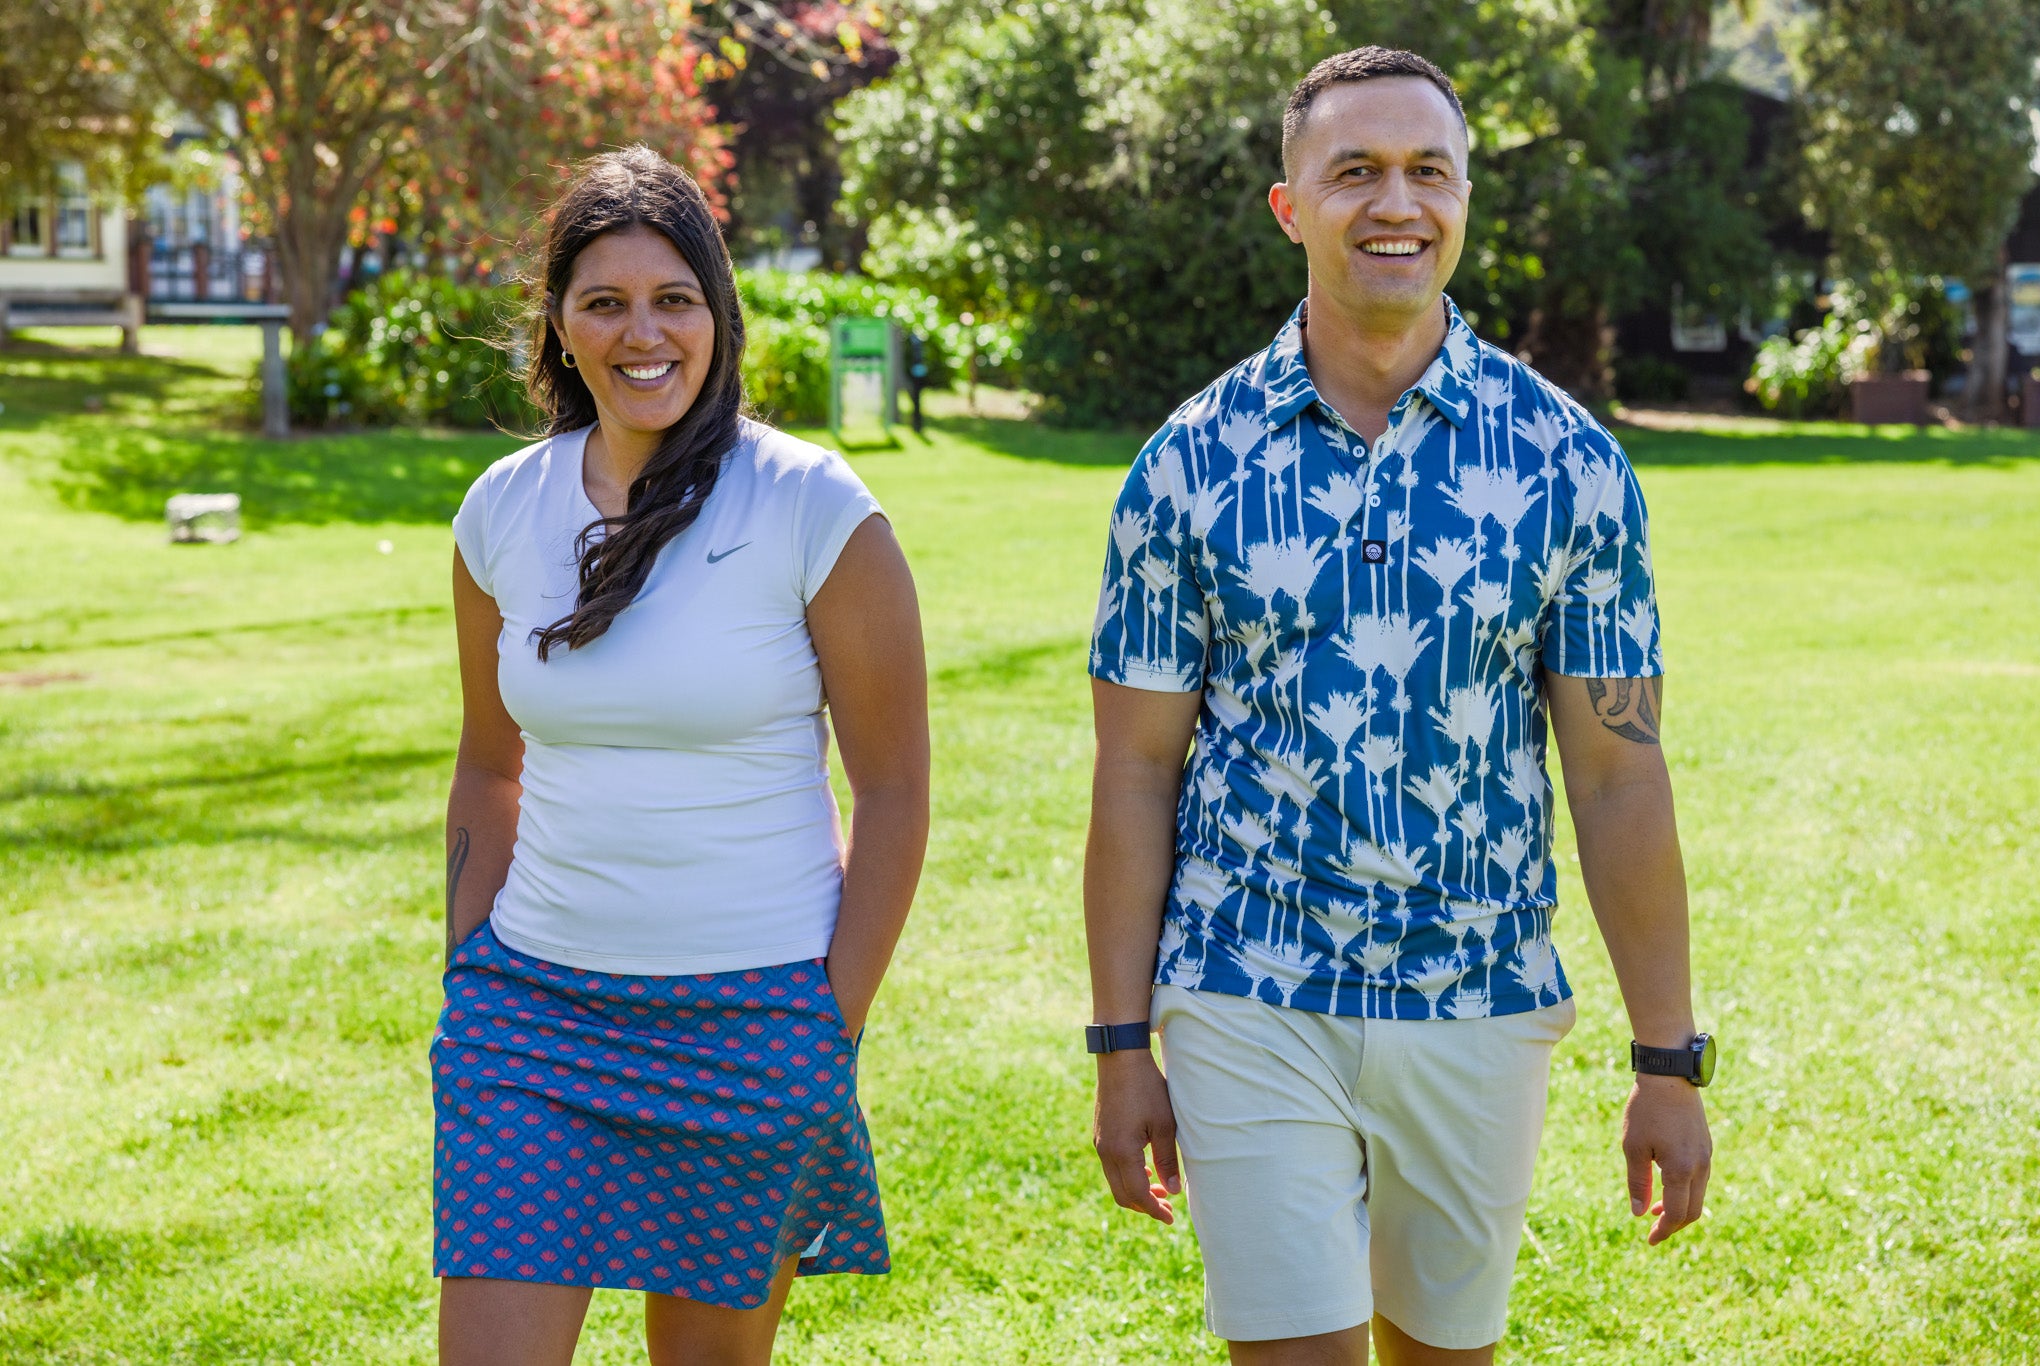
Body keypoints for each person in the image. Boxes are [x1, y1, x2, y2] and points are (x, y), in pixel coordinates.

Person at [1083, 47, 1713, 1366]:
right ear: (1289, 205)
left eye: (1430, 171)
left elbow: (1618, 772)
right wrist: (1121, 1040)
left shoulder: (1571, 466)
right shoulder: (1188, 466)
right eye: (1355, 170)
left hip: (1478, 996)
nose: (1397, 203)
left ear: (1467, 197)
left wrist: (1670, 1057)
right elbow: (1136, 771)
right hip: (1248, 984)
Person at [434, 145, 928, 1366]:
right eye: (603, 301)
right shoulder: (501, 509)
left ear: (718, 315)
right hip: (531, 1020)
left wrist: (831, 1019)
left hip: (751, 1019)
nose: (640, 333)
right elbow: (487, 765)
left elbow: (896, 786)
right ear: (559, 325)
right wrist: (466, 965)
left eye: (673, 299)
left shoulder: (813, 507)